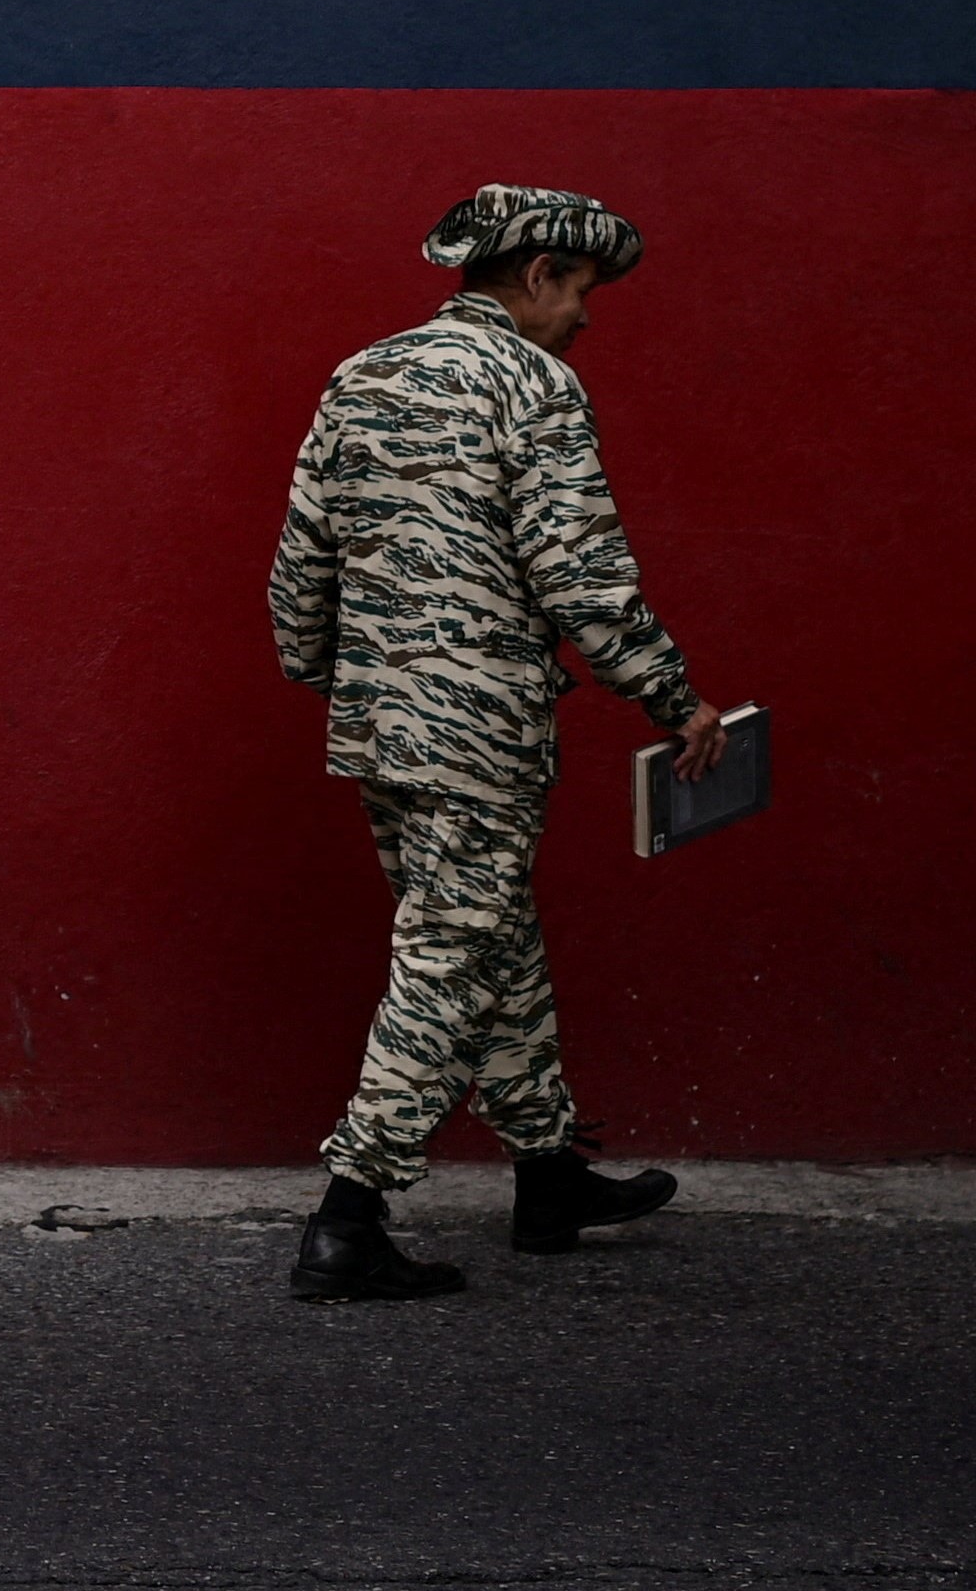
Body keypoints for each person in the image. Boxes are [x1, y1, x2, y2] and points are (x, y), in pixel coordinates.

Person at [262, 183, 728, 1304]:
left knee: (490, 937)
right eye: (581, 290)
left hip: (379, 721)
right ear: (537, 274)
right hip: (480, 731)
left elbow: (302, 555)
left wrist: (334, 673)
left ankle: (547, 1174)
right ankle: (347, 1218)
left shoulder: (361, 374)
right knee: (447, 958)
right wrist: (673, 698)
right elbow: (582, 572)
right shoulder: (532, 383)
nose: (587, 315)